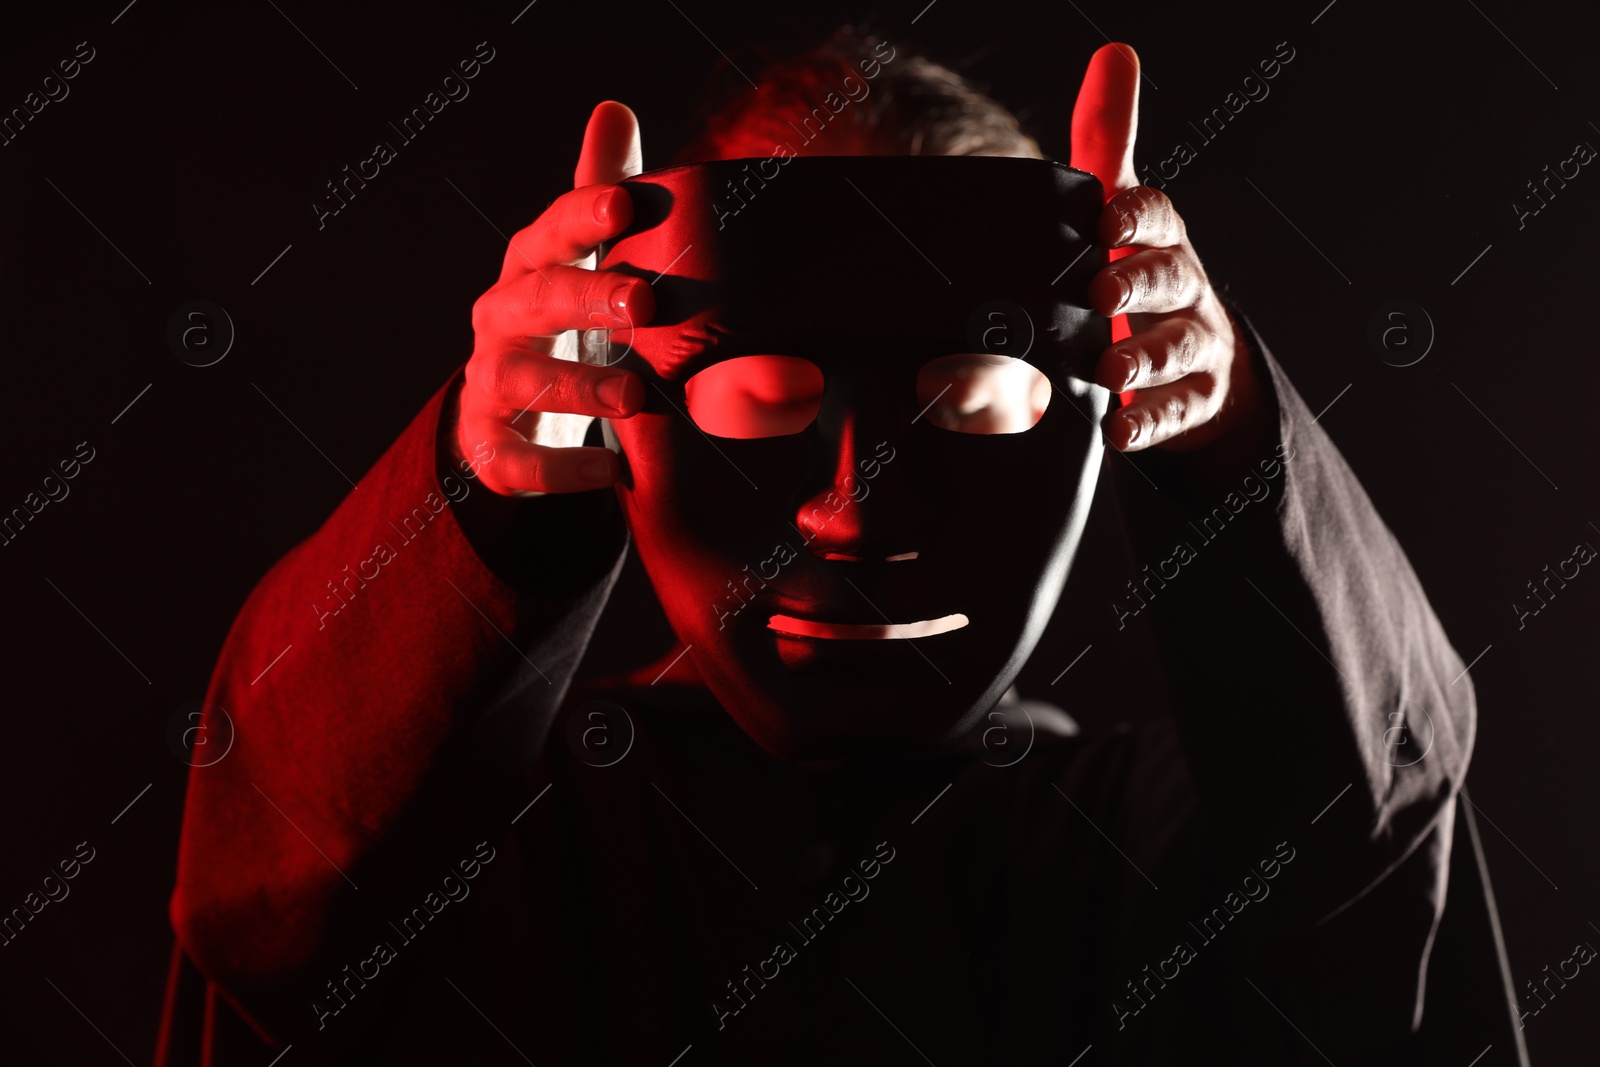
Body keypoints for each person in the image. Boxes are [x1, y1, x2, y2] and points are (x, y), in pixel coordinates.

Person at [157, 30, 1475, 1066]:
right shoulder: (492, 847)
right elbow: (269, 883)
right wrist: (472, 490)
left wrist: (1236, 428)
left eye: (971, 397)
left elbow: (1376, 835)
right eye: (761, 395)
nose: (858, 512)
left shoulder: (1154, 850)